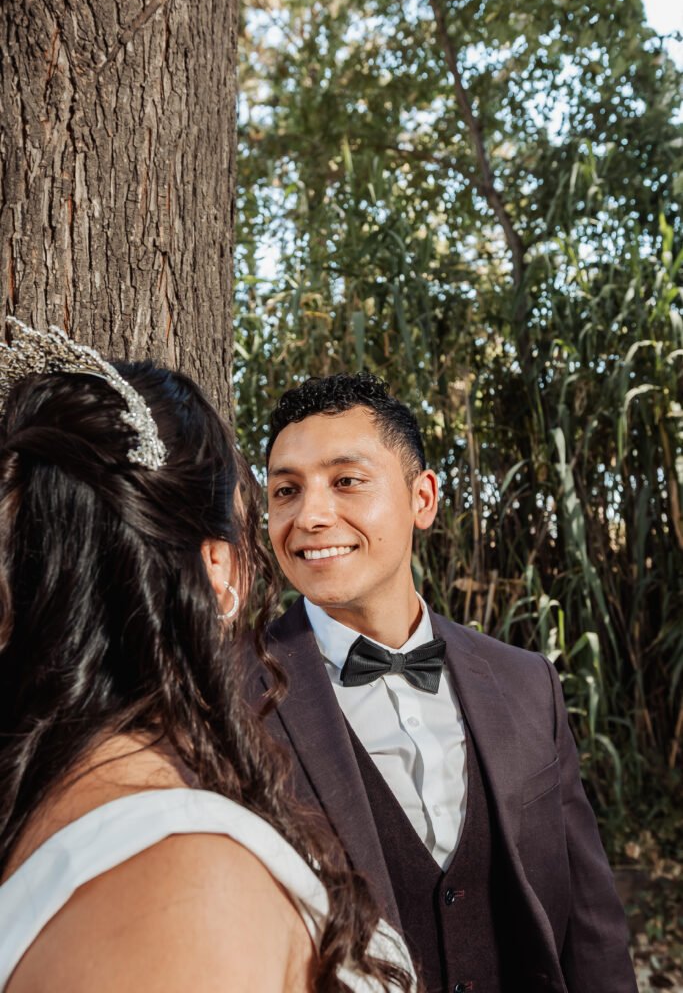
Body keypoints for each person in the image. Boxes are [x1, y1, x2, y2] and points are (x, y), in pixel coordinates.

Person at [0, 321, 415, 993]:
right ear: (218, 567)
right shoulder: (184, 886)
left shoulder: (49, 793)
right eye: (275, 497)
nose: (310, 518)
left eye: (347, 481)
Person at [260, 372, 638, 993]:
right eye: (286, 491)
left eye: (346, 481)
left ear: (423, 499)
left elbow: (590, 927)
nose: (311, 516)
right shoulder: (230, 694)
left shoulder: (527, 683)